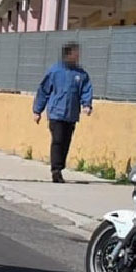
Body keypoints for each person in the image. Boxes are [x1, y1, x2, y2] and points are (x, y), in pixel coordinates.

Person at [32, 42, 94, 183]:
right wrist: (37, 111)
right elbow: (44, 91)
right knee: (58, 140)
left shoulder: (81, 74)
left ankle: (60, 167)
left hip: (71, 114)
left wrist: (87, 104)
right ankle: (56, 170)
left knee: (66, 142)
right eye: (75, 53)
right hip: (56, 112)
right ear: (68, 54)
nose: (78, 56)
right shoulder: (55, 71)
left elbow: (86, 90)